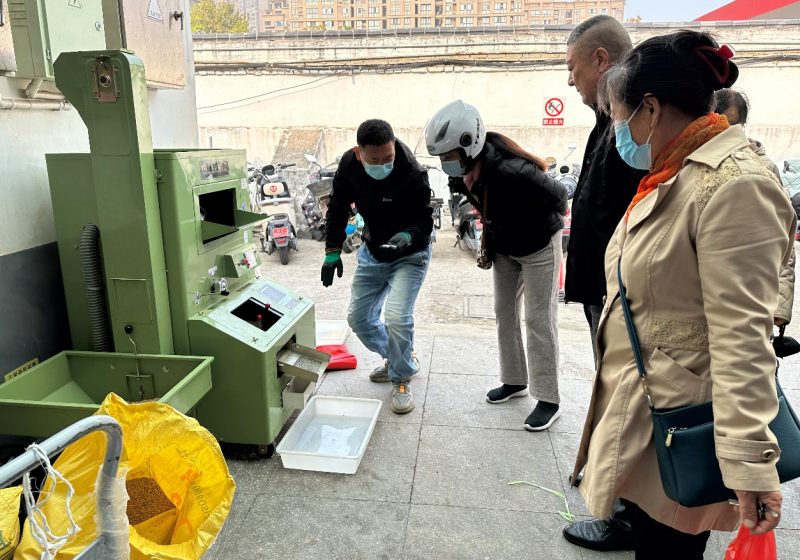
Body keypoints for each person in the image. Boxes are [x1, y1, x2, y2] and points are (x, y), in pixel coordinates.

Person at [570, 30, 795, 558]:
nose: (618, 132)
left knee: (669, 549)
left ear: (650, 110)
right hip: (649, 408)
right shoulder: (674, 173)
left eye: (619, 117)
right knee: (652, 540)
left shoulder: (735, 186)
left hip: (686, 423)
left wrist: (750, 465)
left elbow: (743, 338)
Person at [425, 100, 568, 431]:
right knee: (504, 313)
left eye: (449, 155)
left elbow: (560, 197)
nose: (445, 164)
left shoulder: (514, 170)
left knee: (539, 319)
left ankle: (549, 399)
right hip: (505, 247)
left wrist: (528, 222)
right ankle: (515, 380)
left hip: (539, 245)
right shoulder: (464, 174)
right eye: (441, 158)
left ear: (469, 144)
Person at [561, 15, 645, 552]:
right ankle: (618, 496)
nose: (569, 79)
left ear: (600, 60)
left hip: (624, 291)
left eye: (573, 67)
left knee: (625, 399)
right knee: (613, 391)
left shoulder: (635, 119)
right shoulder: (607, 117)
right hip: (604, 286)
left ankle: (627, 517)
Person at [322, 119, 434, 414]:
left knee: (397, 317)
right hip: (373, 251)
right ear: (358, 154)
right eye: (375, 160)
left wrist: (408, 236)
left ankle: (401, 377)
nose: (383, 165)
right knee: (359, 319)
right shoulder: (349, 166)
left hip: (410, 254)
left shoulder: (411, 171)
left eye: (388, 158)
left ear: (394, 146)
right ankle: (399, 358)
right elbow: (337, 208)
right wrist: (332, 250)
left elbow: (425, 219)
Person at [714, 88, 796, 329]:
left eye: (733, 125)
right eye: (719, 123)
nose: (726, 132)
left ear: (743, 124)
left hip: (753, 294)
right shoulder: (693, 163)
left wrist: (780, 306)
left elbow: (783, 240)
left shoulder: (763, 168)